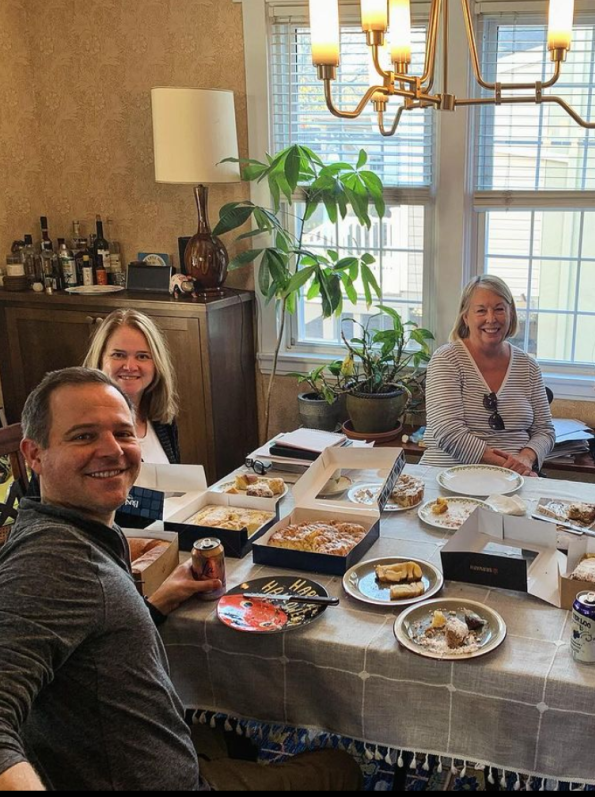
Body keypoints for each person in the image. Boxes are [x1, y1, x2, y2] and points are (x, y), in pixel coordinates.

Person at [0, 368, 361, 791]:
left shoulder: (76, 530)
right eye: (83, 436)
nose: (112, 450)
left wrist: (159, 601)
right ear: (34, 454)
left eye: (122, 432)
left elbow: (93, 643)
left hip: (142, 747)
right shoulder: (49, 562)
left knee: (231, 731)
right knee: (341, 768)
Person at [422, 275, 555, 475]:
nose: (491, 319)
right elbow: (448, 432)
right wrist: (509, 468)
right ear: (465, 317)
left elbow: (545, 430)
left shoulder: (529, 366)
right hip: (448, 474)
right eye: (481, 310)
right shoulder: (446, 360)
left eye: (499, 309)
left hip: (516, 480)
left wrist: (526, 458)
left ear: (511, 314)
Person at [83, 308, 181, 464]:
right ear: (100, 359)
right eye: (119, 355)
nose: (130, 366)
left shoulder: (163, 423)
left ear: (157, 364)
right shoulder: (82, 424)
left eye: (142, 356)